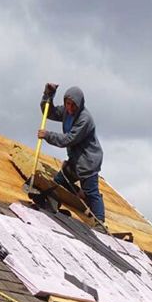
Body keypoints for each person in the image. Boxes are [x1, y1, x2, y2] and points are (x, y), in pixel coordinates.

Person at [37, 83, 105, 222]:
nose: (70, 108)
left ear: (79, 104)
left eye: (73, 105)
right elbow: (48, 112)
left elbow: (69, 139)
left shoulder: (84, 119)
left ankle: (100, 222)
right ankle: (61, 202)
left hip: (88, 162)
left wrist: (47, 135)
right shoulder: (67, 112)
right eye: (67, 103)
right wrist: (48, 95)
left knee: (92, 193)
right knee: (59, 181)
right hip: (75, 160)